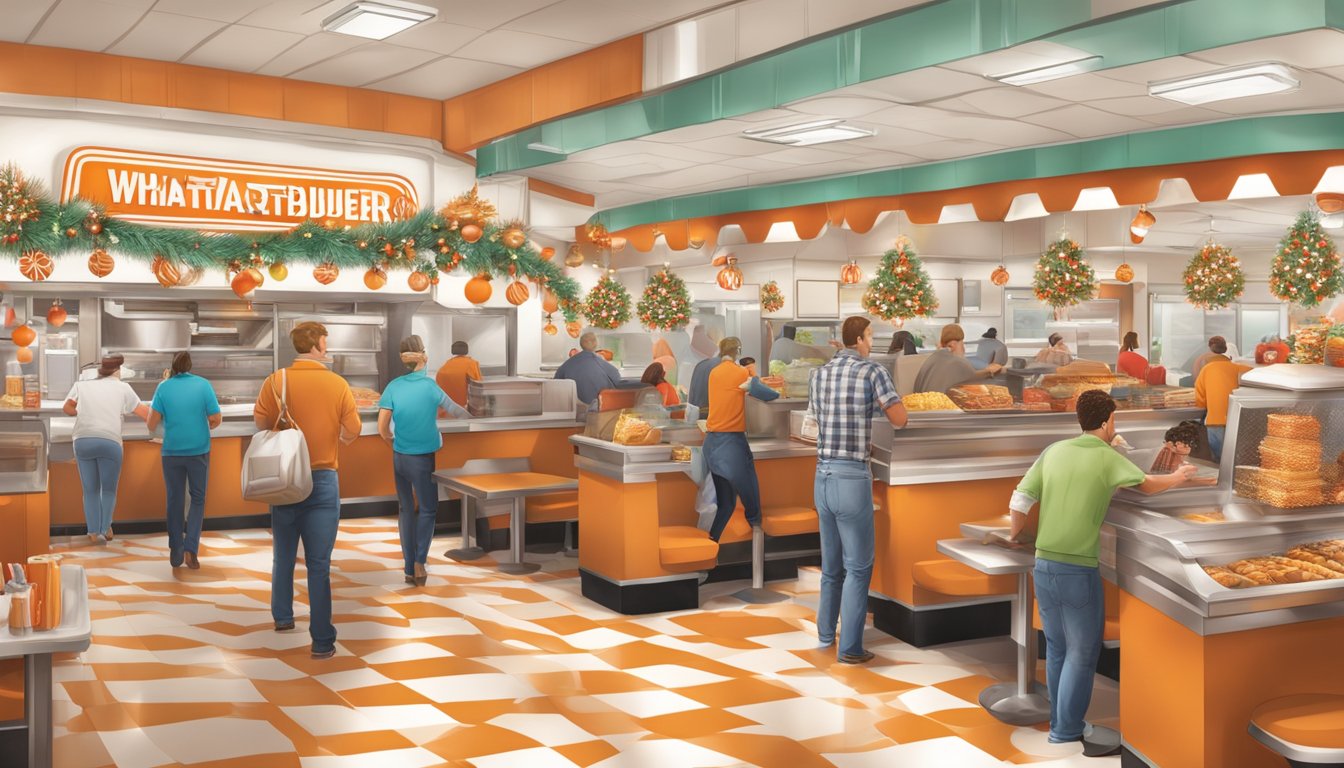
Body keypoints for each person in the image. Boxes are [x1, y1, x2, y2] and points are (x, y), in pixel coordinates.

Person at [1009, 390, 1196, 748]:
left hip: (1044, 563)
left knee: (1058, 647)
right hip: (1078, 568)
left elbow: (1021, 497)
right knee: (1082, 651)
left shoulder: (1055, 450)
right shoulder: (1106, 457)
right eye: (1115, 420)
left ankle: (1059, 723)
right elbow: (1147, 485)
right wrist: (1180, 476)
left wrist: (1014, 533)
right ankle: (1066, 730)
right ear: (1108, 420)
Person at [254, 321, 360, 660]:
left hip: (285, 478)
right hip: (323, 479)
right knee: (318, 563)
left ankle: (283, 617)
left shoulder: (276, 381)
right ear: (316, 345)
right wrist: (338, 438)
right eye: (325, 340)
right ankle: (322, 641)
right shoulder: (337, 383)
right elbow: (353, 429)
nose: (327, 346)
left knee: (283, 555)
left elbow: (260, 422)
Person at [810, 316, 908, 664]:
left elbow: (819, 417)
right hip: (852, 478)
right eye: (870, 337)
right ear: (860, 339)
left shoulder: (818, 374)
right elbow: (899, 418)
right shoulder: (873, 371)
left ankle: (825, 634)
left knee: (831, 566)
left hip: (822, 476)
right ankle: (850, 647)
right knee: (858, 567)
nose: (871, 343)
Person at [379, 336, 470, 587]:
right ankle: (420, 561)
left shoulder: (393, 387)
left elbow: (382, 426)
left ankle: (408, 567)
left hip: (400, 457)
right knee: (428, 509)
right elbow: (457, 411)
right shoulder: (430, 387)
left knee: (406, 509)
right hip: (423, 459)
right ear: (423, 356)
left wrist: (394, 443)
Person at [63, 354, 150, 544]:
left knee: (90, 490)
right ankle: (105, 528)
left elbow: (67, 408)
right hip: (110, 441)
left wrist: (86, 411)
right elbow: (145, 414)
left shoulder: (82, 385)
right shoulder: (123, 387)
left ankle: (93, 532)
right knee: (108, 490)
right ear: (117, 370)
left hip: (83, 440)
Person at [146, 352, 222, 569]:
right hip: (198, 451)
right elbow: (215, 418)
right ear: (190, 366)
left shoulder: (164, 387)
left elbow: (152, 423)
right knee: (197, 499)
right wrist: (203, 425)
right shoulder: (203, 385)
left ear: (172, 367)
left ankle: (175, 550)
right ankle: (191, 549)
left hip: (171, 452)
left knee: (174, 500)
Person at [704, 344, 780, 542]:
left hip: (712, 443)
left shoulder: (714, 372)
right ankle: (759, 550)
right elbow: (772, 395)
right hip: (731, 444)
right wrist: (752, 375)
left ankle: (711, 547)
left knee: (726, 504)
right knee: (751, 502)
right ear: (737, 351)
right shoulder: (739, 373)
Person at [1194, 344, 1251, 462]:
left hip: (1215, 418)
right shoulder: (1238, 368)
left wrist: (1202, 405)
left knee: (1218, 458)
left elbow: (1199, 393)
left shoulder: (1206, 369)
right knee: (1236, 455)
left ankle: (1220, 474)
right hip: (1237, 418)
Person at [912, 324, 1003, 393]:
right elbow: (973, 379)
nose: (964, 349)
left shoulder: (933, 358)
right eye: (962, 344)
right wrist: (990, 371)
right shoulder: (957, 362)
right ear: (953, 345)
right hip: (941, 412)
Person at [555, 332, 621, 406]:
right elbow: (617, 379)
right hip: (600, 405)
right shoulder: (598, 361)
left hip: (574, 407)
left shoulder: (568, 363)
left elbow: (557, 381)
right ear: (595, 343)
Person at [689, 337, 739, 416]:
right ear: (736, 352)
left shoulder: (700, 364)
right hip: (714, 416)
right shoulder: (726, 369)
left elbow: (692, 395)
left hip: (695, 415)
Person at [435, 341, 481, 409]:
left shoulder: (447, 364)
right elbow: (478, 384)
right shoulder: (472, 363)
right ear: (467, 350)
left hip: (443, 407)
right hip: (460, 407)